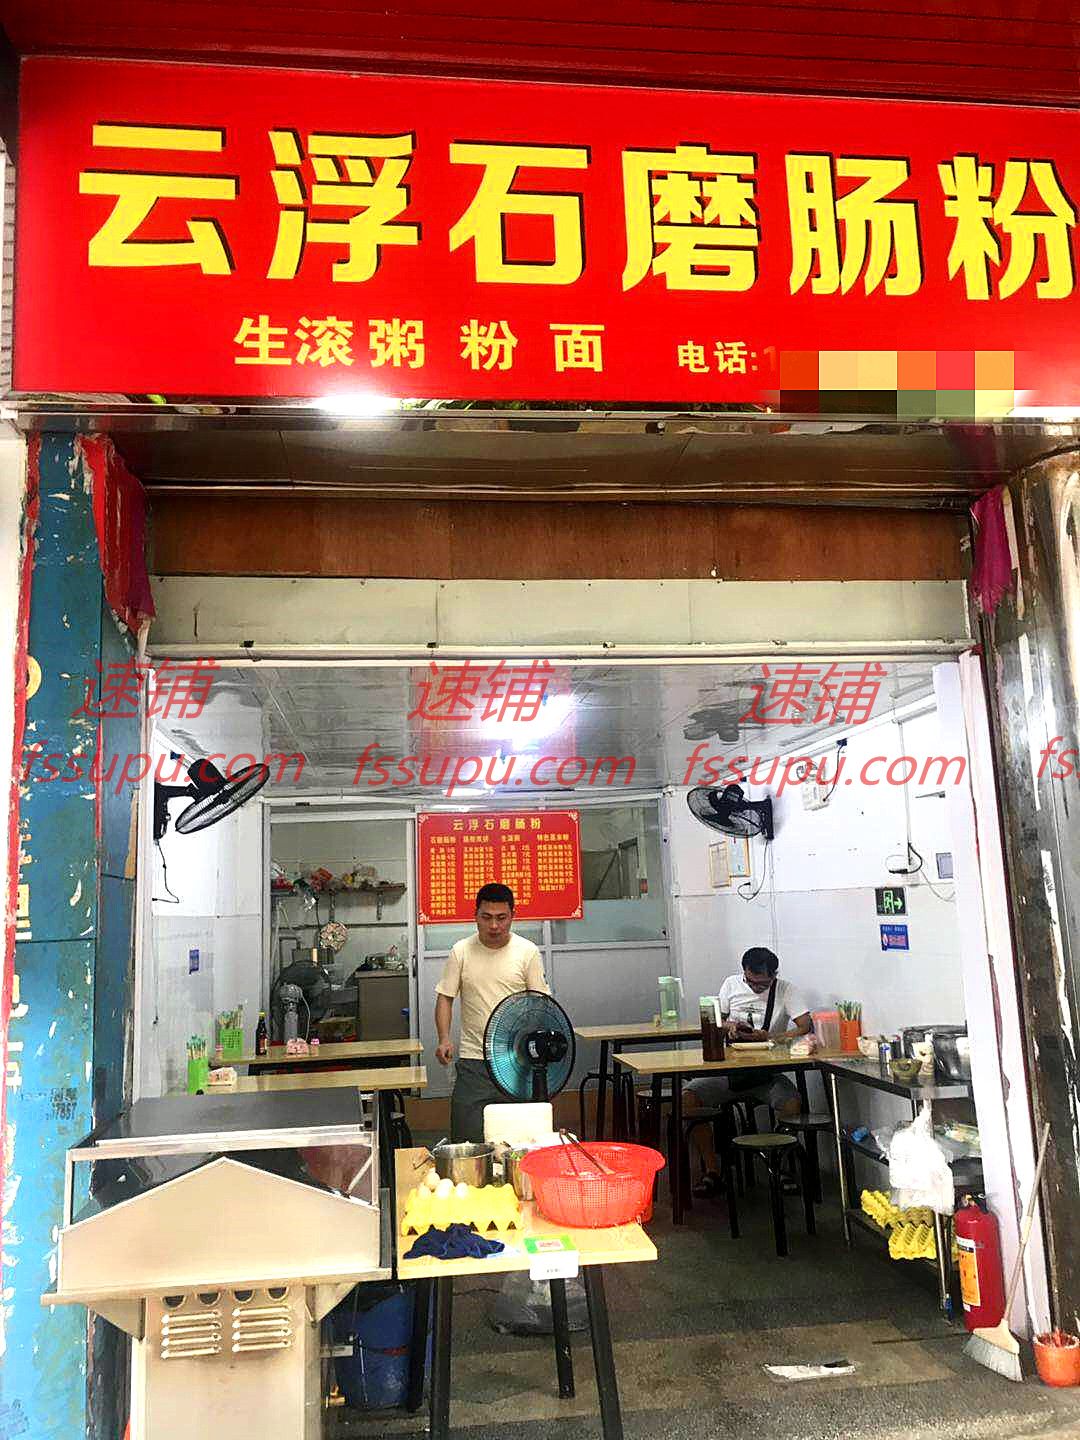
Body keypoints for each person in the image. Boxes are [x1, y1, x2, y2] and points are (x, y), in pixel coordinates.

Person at [684, 946, 812, 1197]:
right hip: (729, 1070)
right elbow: (716, 1022)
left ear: (774, 975)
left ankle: (780, 1165)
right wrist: (730, 1026)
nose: (756, 988)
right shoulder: (731, 984)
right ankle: (712, 1170)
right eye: (751, 983)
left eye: (763, 985)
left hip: (766, 1073)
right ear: (744, 972)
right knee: (689, 1098)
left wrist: (771, 1037)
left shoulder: (786, 990)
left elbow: (804, 1026)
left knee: (792, 1103)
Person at [434, 882, 549, 1142]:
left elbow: (540, 1003)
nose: (494, 925)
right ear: (475, 915)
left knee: (518, 1141)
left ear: (513, 916)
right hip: (473, 1061)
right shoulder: (461, 951)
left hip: (515, 1060)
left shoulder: (527, 952)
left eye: (501, 918)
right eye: (486, 917)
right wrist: (444, 1038)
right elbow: (445, 997)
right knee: (466, 1138)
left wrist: (529, 1042)